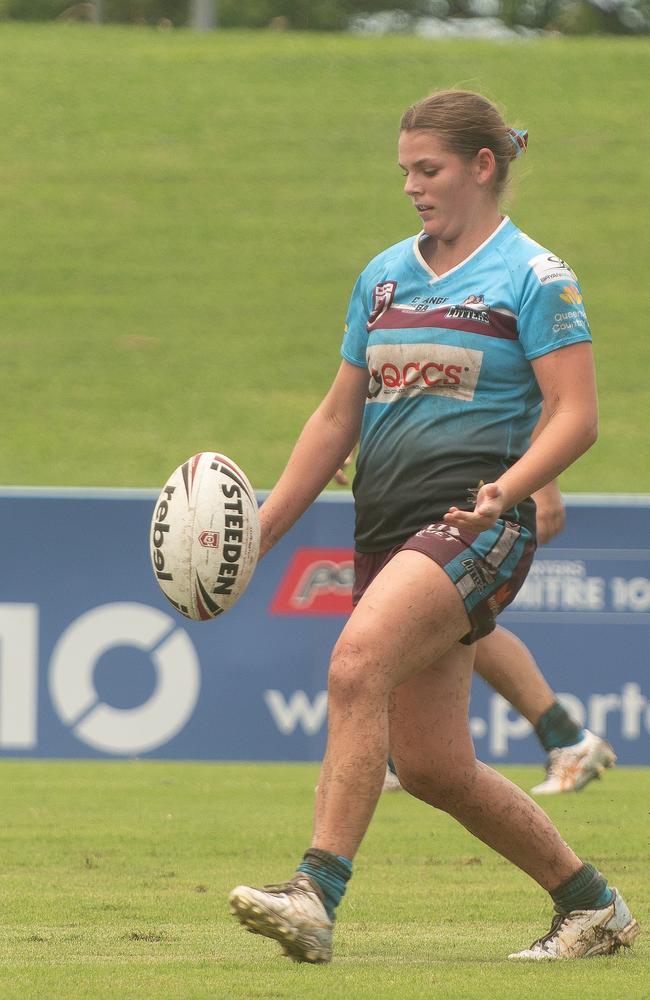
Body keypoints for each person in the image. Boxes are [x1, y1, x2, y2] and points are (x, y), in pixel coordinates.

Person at [229, 90, 639, 963]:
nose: (412, 186)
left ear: (482, 167)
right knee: (433, 766)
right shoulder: (382, 276)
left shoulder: (535, 276)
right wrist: (263, 530)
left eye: (430, 169)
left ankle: (315, 893)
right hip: (384, 530)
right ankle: (593, 908)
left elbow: (577, 415)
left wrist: (511, 490)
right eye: (406, 171)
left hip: (476, 525)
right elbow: (336, 419)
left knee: (356, 660)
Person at [379, 478, 616, 794]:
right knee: (426, 619)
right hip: (421, 503)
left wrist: (538, 495)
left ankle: (567, 738)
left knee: (435, 615)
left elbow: (549, 500)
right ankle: (401, 756)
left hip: (477, 511)